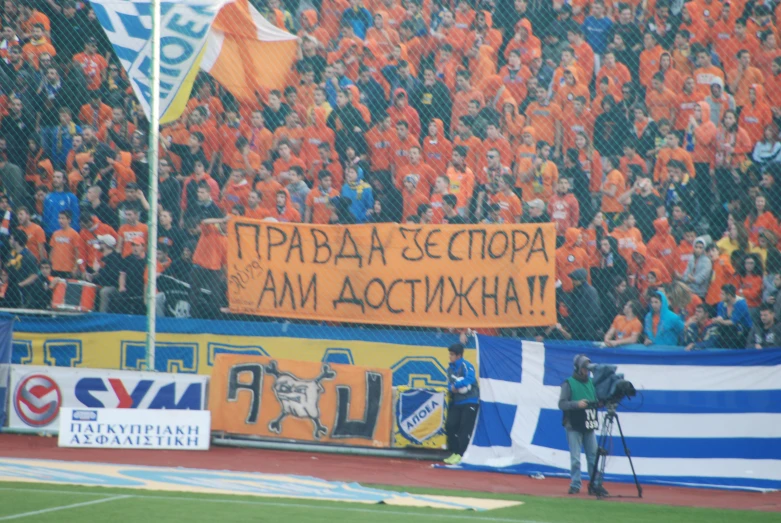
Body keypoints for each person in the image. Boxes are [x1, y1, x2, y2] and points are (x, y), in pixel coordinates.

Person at [559, 354, 608, 497]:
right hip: (573, 424)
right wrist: (577, 404)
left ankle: (595, 484)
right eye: (584, 367)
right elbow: (562, 404)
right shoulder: (568, 383)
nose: (587, 370)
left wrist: (599, 402)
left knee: (593, 456)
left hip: (588, 423)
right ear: (578, 368)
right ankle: (575, 484)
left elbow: (596, 399)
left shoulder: (592, 383)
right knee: (575, 458)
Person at [443, 341, 478, 466]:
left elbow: (470, 379)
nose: (450, 357)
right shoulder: (449, 369)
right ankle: (454, 452)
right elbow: (449, 384)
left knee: (465, 428)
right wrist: (450, 388)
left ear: (458, 356)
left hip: (470, 401)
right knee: (450, 425)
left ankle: (461, 454)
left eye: (452, 355)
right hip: (457, 402)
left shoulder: (466, 365)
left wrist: (457, 385)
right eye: (450, 354)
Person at [714, 283, 753, 349]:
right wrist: (718, 319)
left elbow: (733, 321)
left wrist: (720, 321)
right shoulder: (721, 304)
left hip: (744, 329)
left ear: (729, 295)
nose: (720, 296)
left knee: (731, 329)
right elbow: (720, 316)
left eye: (722, 294)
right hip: (728, 328)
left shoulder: (741, 304)